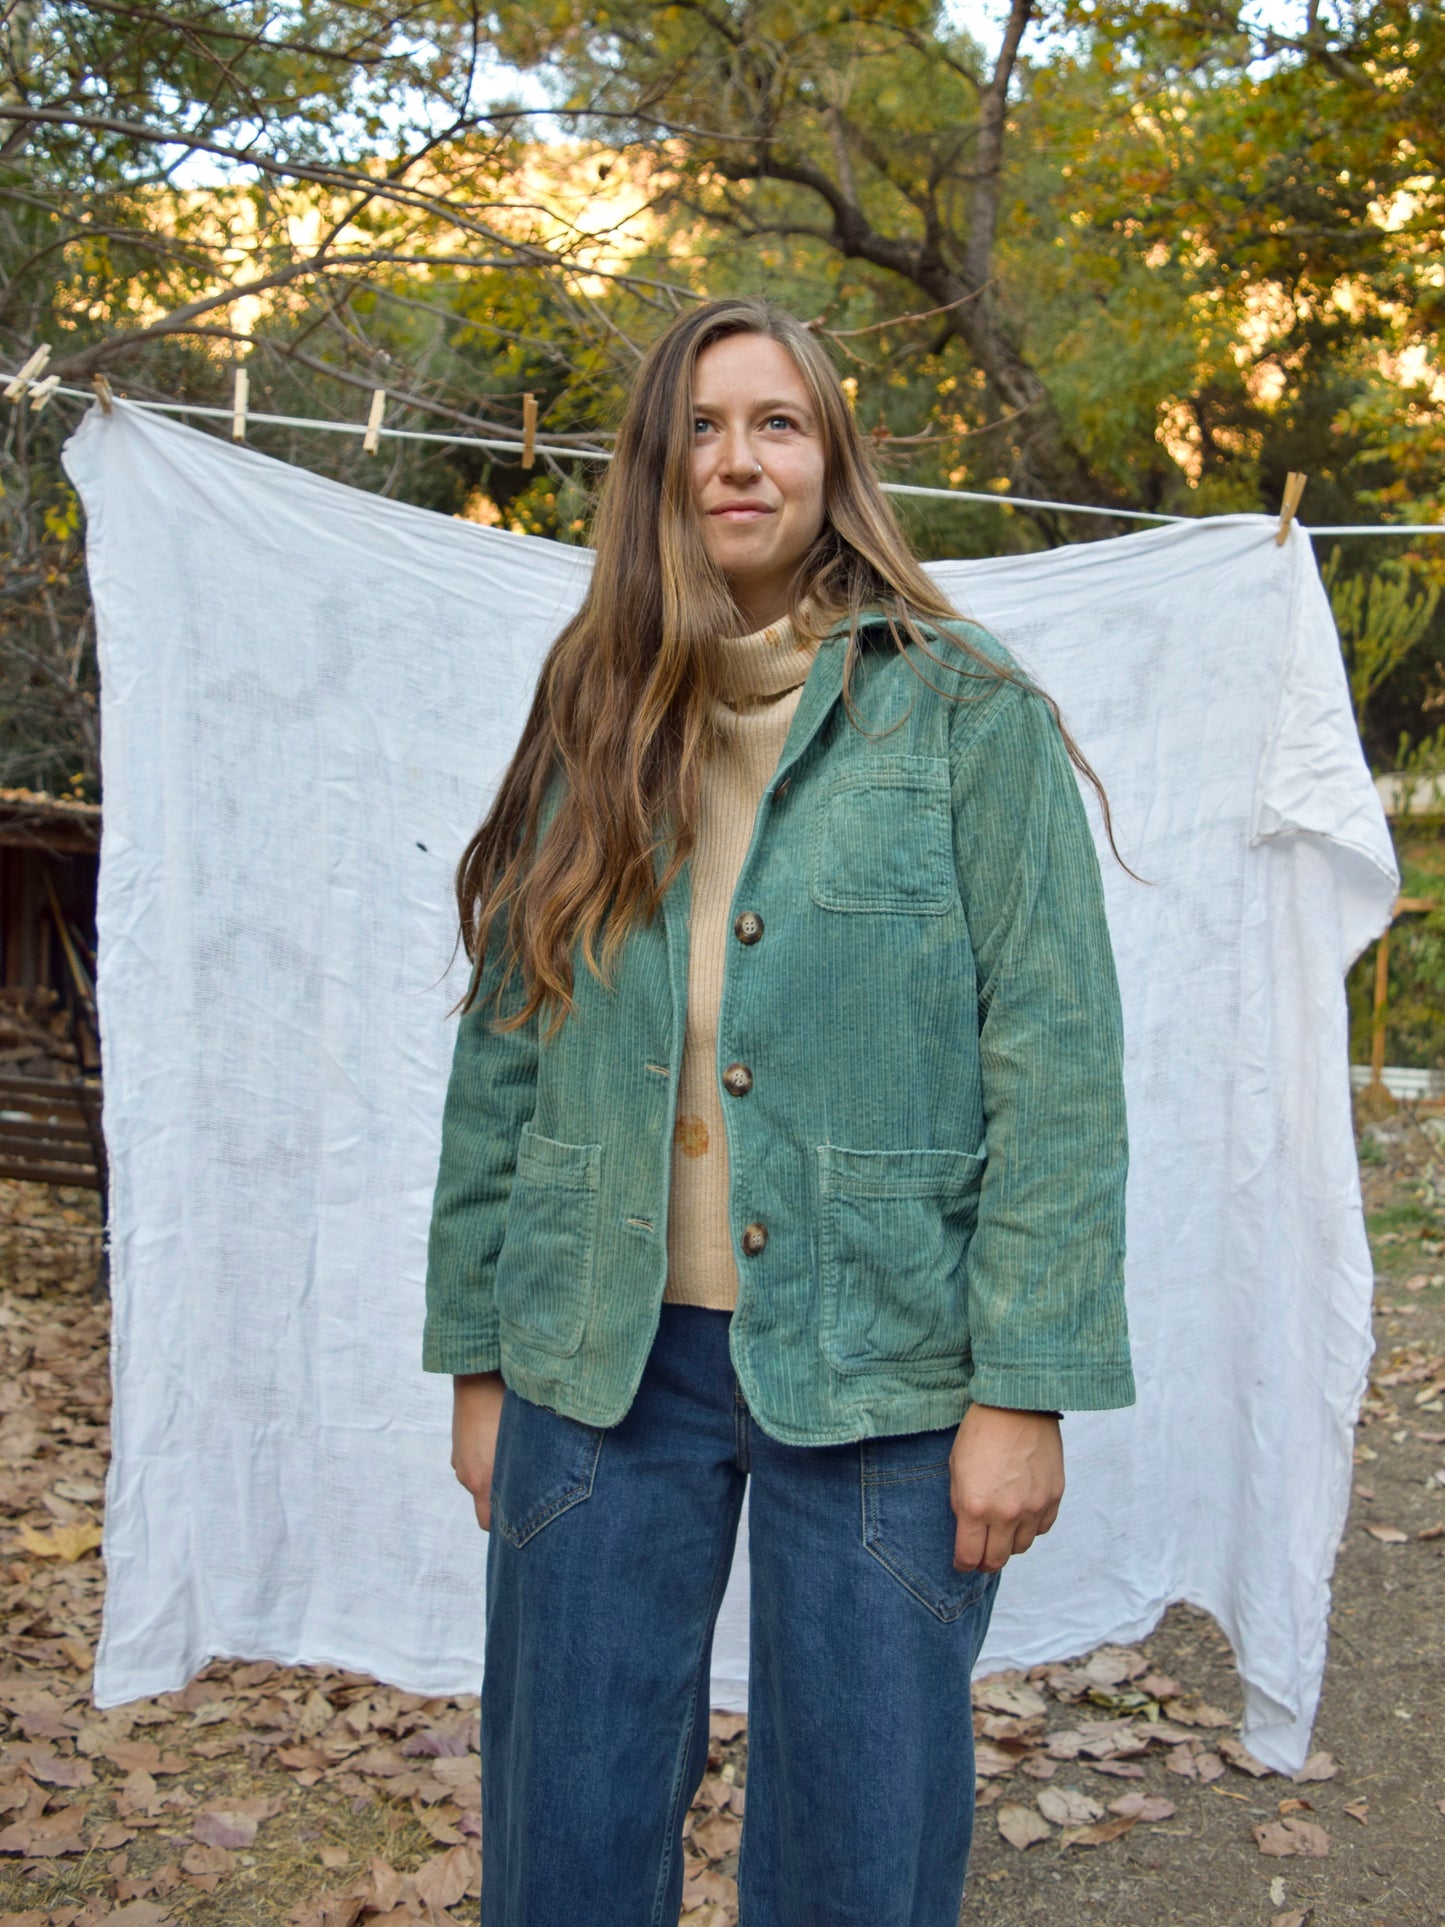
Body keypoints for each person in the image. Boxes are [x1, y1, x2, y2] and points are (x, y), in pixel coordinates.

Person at [423, 295, 1134, 1927]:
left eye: (776, 424)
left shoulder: (964, 708)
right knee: (567, 1831)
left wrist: (1023, 1388)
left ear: (832, 459)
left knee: (858, 1851)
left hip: (881, 1365)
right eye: (700, 428)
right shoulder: (593, 706)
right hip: (601, 1364)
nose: (736, 460)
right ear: (652, 471)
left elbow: (1056, 1064)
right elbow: (505, 1049)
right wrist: (479, 1362)